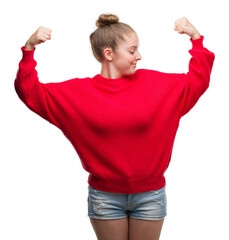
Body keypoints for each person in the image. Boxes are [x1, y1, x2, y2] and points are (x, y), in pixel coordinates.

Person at [14, 14, 215, 240]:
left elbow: (198, 80)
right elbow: (30, 92)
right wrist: (29, 50)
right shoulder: (78, 94)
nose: (138, 56)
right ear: (108, 54)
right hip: (105, 197)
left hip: (150, 195)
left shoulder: (158, 85)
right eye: (132, 51)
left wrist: (196, 39)